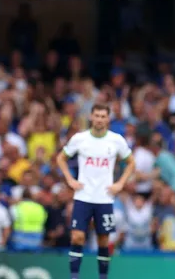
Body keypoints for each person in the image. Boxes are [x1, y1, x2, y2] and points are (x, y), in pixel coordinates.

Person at [56, 103, 136, 279]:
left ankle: (102, 277)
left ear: (108, 119)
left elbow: (131, 162)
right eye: (97, 116)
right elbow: (61, 158)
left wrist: (120, 183)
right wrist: (70, 180)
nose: (99, 119)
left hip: (104, 198)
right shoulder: (79, 139)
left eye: (103, 116)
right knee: (77, 237)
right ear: (91, 117)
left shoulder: (116, 140)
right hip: (83, 195)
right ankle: (74, 276)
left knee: (104, 241)